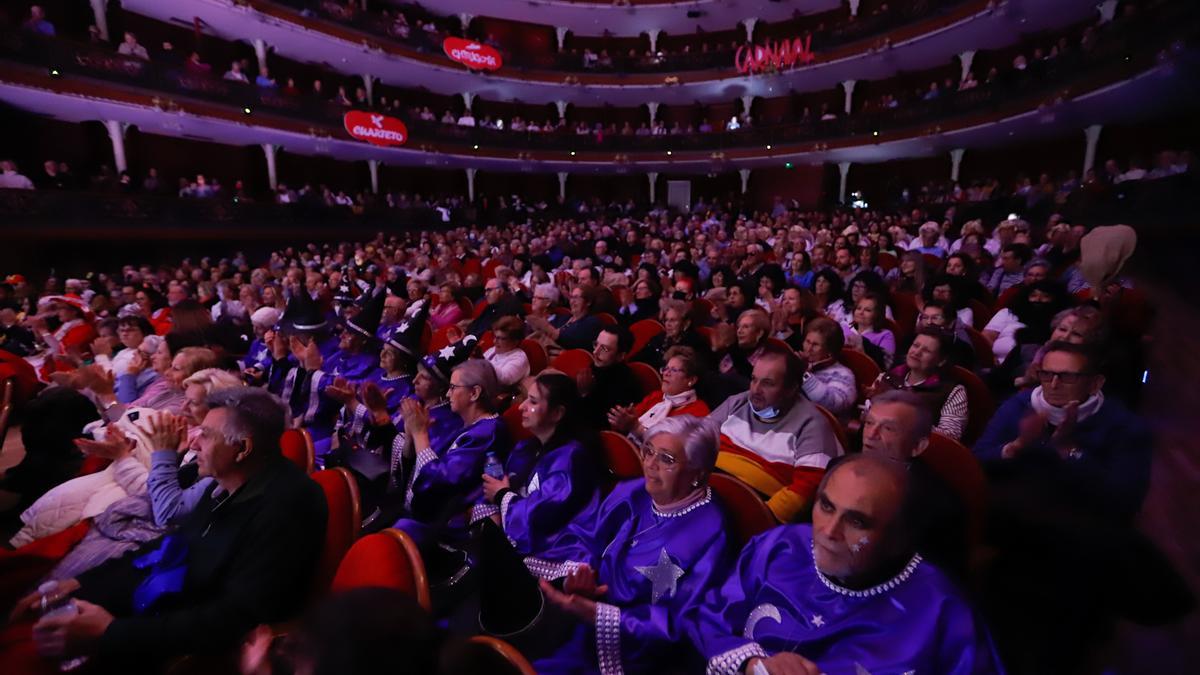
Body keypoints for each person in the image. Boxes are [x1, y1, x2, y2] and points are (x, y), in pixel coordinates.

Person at [13, 389, 327, 669]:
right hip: (165, 610)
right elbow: (171, 544)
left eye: (205, 434)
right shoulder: (224, 482)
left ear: (242, 448)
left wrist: (112, 634)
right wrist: (77, 582)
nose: (192, 441)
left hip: (191, 646)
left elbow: (236, 618)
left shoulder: (287, 507)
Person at [690, 454, 1004, 674]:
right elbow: (710, 618)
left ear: (899, 538)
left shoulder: (941, 611)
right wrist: (752, 663)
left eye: (857, 521)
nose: (828, 532)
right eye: (826, 506)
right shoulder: (778, 547)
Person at [486, 416, 733, 673]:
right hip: (583, 614)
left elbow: (685, 621)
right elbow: (586, 536)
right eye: (648, 451)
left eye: (667, 459)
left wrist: (600, 615)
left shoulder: (711, 531)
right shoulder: (632, 492)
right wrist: (582, 577)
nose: (650, 464)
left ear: (698, 473)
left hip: (635, 648)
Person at [974, 341, 1151, 519]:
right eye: (1047, 374)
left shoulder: (1125, 426)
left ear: (1095, 384)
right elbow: (976, 460)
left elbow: (1125, 501)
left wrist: (1067, 449)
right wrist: (1017, 446)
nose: (1054, 384)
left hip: (1081, 525)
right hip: (1014, 513)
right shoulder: (1020, 405)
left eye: (1067, 377)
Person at [392, 357, 510, 569]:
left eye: (453, 388)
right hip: (435, 516)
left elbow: (441, 481)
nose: (447, 394)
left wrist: (420, 435)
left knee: (395, 540)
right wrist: (413, 434)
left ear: (474, 393)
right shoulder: (470, 426)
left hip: (453, 531)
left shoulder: (489, 431)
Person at [708, 346, 843, 522]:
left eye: (767, 383)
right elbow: (696, 438)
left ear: (791, 388)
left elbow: (806, 488)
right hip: (703, 491)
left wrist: (760, 522)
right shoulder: (739, 401)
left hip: (750, 511)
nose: (755, 390)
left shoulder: (812, 424)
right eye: (754, 380)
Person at [475, 371, 602, 556]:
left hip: (554, 551)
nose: (521, 407)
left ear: (557, 413)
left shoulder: (571, 459)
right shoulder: (526, 448)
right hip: (512, 532)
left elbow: (542, 517)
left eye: (533, 402)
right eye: (526, 399)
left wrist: (502, 496)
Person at [872, 327, 968, 441]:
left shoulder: (952, 391)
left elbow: (949, 437)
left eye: (926, 351)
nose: (916, 352)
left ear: (941, 361)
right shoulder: (888, 376)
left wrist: (909, 418)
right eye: (915, 345)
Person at [607, 345, 710, 441]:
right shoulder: (656, 396)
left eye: (673, 370)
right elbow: (624, 427)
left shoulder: (698, 412)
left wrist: (636, 427)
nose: (666, 373)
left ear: (691, 379)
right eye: (666, 369)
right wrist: (621, 419)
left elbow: (674, 451)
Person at [577, 325, 641, 430]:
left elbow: (599, 424)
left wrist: (585, 394)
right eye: (596, 345)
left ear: (620, 356)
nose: (595, 352)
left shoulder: (625, 384)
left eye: (605, 349)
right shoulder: (595, 367)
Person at [798, 317, 857, 417]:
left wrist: (804, 374)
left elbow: (834, 403)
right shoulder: (798, 364)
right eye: (807, 342)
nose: (808, 349)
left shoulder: (844, 374)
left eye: (815, 345)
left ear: (830, 351)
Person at [629, 299, 710, 370]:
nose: (668, 324)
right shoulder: (659, 338)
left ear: (686, 323)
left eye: (673, 320)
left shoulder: (695, 343)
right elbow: (637, 359)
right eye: (666, 320)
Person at [848, 292, 895, 369]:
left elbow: (886, 365)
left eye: (867, 310)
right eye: (858, 308)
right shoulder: (844, 328)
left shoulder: (886, 335)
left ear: (877, 314)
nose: (861, 312)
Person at [483, 315, 530, 389]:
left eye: (501, 339)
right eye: (495, 337)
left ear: (515, 341)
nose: (495, 341)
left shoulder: (519, 359)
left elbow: (504, 379)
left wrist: (481, 362)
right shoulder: (493, 350)